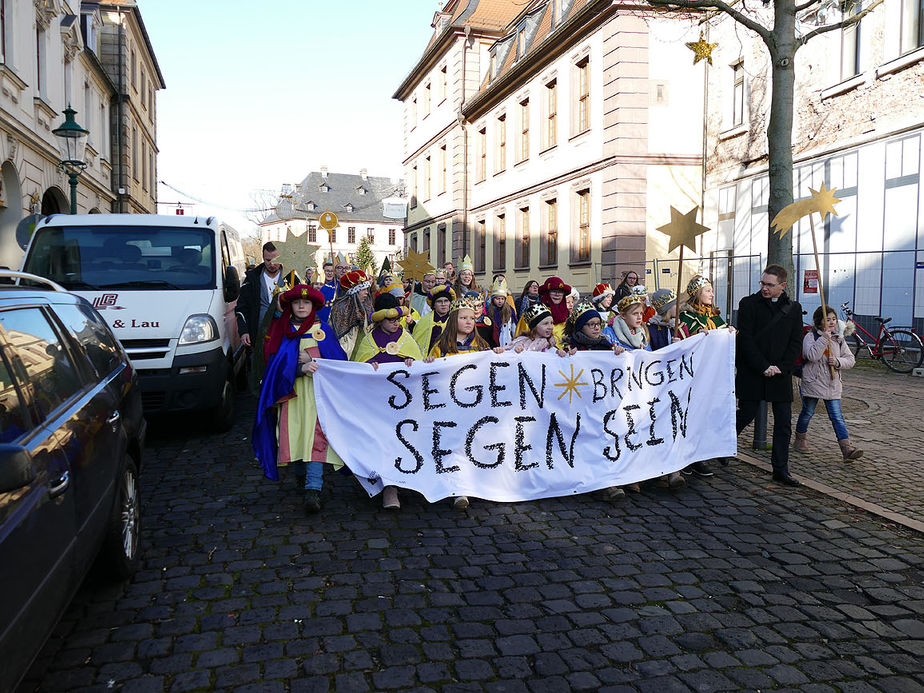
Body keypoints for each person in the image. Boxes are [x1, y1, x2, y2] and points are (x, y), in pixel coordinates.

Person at [252, 285, 347, 514]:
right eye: (296, 303)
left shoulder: (322, 330)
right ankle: (301, 476)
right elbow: (274, 365)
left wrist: (316, 357)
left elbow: (338, 362)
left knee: (315, 439)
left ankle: (313, 489)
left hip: (317, 396)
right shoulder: (282, 331)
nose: (302, 306)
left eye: (306, 303)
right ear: (291, 306)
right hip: (291, 396)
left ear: (314, 306)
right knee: (293, 436)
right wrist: (298, 367)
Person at [425, 296, 505, 511]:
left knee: (476, 444)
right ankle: (458, 488)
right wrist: (429, 364)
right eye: (463, 318)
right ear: (453, 320)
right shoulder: (441, 346)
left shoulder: (481, 345)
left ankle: (479, 484)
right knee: (456, 445)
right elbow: (431, 376)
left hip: (476, 406)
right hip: (452, 406)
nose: (469, 322)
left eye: (471, 317)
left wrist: (497, 354)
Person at [735, 264, 804, 487]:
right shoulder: (748, 304)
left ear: (782, 286)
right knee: (745, 414)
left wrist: (782, 368)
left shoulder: (793, 309)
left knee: (783, 422)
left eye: (769, 285)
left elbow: (796, 342)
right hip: (754, 371)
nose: (764, 288)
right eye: (762, 283)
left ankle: (780, 469)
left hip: (780, 375)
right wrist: (763, 365)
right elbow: (745, 339)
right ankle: (721, 448)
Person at [353, 293, 423, 511]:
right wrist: (368, 365)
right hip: (377, 403)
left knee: (402, 441)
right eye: (391, 319)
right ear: (380, 320)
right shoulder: (368, 340)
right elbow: (357, 366)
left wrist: (412, 361)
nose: (395, 323)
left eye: (397, 319)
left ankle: (403, 480)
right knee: (383, 442)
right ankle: (388, 487)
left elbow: (420, 367)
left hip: (404, 403)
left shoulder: (406, 338)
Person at [564, 303, 630, 499]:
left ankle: (608, 483)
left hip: (602, 406)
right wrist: (566, 357)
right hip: (579, 406)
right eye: (590, 324)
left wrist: (618, 353)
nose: (596, 328)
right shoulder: (571, 346)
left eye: (598, 324)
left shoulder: (605, 345)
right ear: (580, 327)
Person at [794, 306, 863, 461]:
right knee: (807, 412)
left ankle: (847, 449)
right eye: (827, 320)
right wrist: (824, 338)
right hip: (814, 382)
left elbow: (851, 360)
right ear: (819, 323)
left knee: (837, 417)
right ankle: (800, 440)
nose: (832, 322)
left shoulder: (839, 338)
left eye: (833, 319)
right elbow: (811, 355)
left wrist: (838, 361)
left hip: (832, 383)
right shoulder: (811, 337)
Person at [237, 242, 297, 389]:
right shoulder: (252, 279)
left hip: (286, 335)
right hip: (259, 336)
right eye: (267, 260)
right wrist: (244, 331)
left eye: (275, 260)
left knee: (285, 374)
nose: (271, 264)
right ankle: (263, 404)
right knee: (261, 375)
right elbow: (241, 308)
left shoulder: (293, 277)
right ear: (263, 258)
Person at [329, 269, 373, 359]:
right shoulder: (341, 308)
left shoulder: (366, 307)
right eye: (363, 289)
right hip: (346, 353)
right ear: (355, 292)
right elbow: (341, 338)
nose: (366, 292)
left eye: (367, 289)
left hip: (365, 352)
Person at [412, 284, 456, 356]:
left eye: (446, 301)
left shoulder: (454, 320)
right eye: (439, 301)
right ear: (434, 305)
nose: (443, 304)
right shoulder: (424, 321)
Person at [484, 277, 516, 348]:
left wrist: (515, 340)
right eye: (497, 298)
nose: (500, 301)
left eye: (502, 299)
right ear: (493, 299)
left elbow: (514, 327)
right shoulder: (489, 310)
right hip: (494, 343)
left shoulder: (510, 310)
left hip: (508, 343)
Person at [537, 276, 571, 343]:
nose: (557, 294)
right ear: (546, 293)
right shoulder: (536, 312)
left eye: (560, 292)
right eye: (553, 291)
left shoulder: (567, 314)